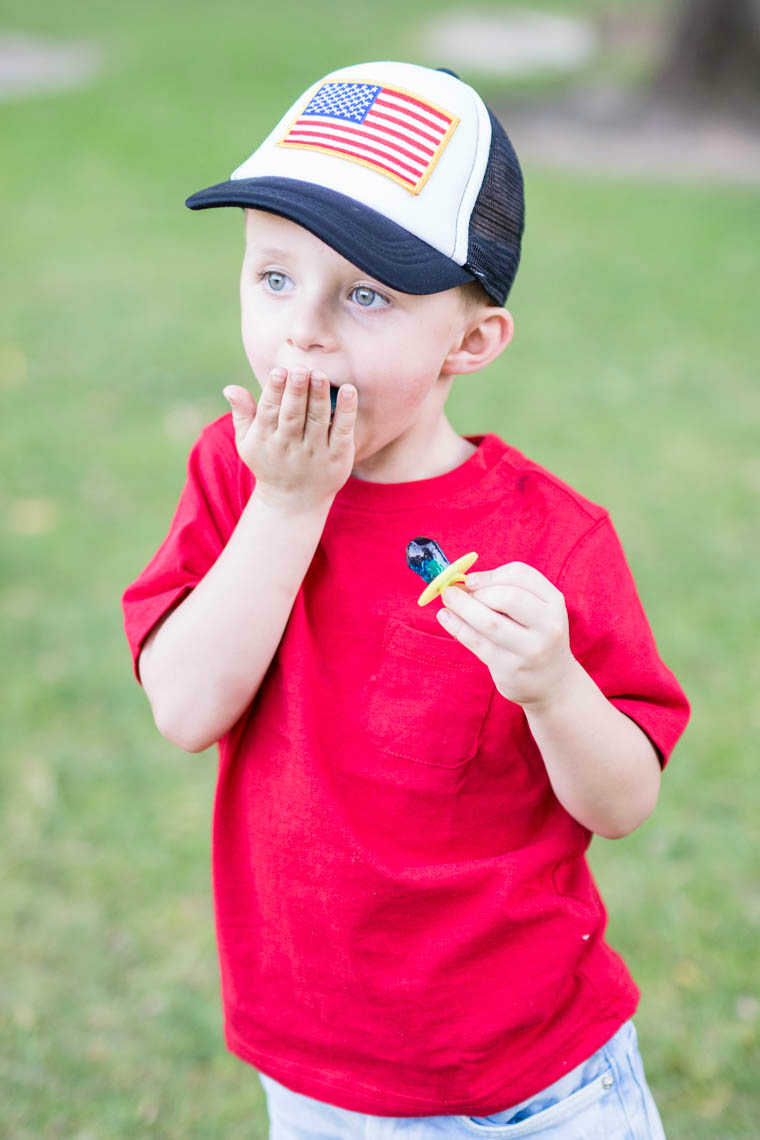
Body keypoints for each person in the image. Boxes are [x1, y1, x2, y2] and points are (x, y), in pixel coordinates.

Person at [122, 61, 689, 1138]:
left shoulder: (552, 538)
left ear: (469, 343)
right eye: (274, 277)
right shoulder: (235, 478)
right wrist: (287, 508)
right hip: (321, 1072)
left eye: (366, 294)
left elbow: (619, 805)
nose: (303, 331)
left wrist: (554, 686)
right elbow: (186, 708)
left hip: (541, 1081)